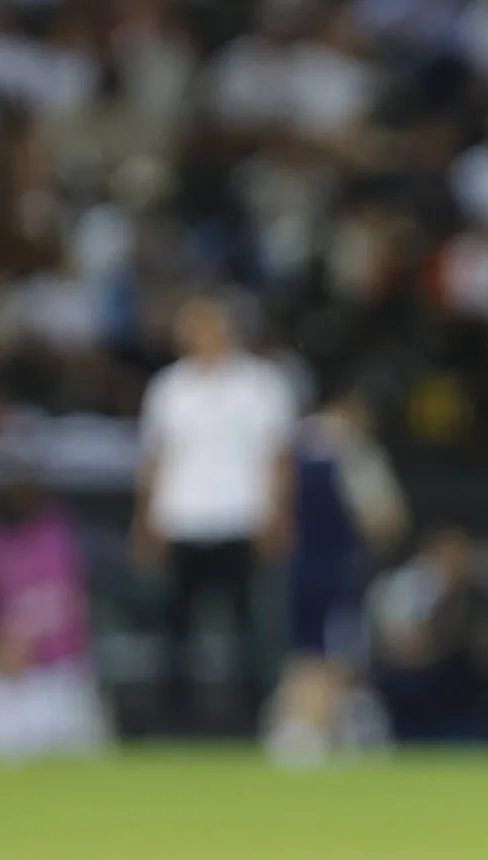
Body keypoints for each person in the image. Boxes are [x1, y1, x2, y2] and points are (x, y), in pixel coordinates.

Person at [133, 295, 298, 733]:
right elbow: (156, 460)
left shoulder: (262, 384)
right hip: (182, 520)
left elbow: (277, 458)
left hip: (240, 519)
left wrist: (277, 516)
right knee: (175, 631)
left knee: (249, 631)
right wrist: (146, 521)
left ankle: (252, 722)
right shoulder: (169, 388)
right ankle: (174, 722)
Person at [267, 388, 409, 766]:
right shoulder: (354, 453)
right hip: (338, 570)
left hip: (297, 568)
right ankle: (306, 730)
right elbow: (385, 520)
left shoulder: (289, 449)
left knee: (306, 650)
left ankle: (305, 726)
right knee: (336, 656)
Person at [0, 476, 108, 760]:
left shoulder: (60, 535)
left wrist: (29, 635)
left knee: (83, 752)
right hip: (5, 676)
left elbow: (74, 604)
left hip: (62, 670)